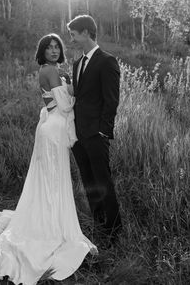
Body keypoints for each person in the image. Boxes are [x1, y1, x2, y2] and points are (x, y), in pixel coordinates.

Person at [0, 33, 97, 285]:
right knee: (52, 180)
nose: (53, 50)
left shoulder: (56, 69)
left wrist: (72, 86)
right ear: (42, 52)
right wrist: (78, 93)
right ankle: (50, 228)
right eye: (49, 47)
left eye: (57, 47)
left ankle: (52, 221)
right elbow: (65, 105)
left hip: (53, 128)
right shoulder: (50, 71)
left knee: (51, 180)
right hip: (53, 129)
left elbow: (64, 94)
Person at [67, 15, 122, 244]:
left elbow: (111, 101)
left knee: (103, 181)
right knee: (89, 182)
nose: (71, 40)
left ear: (86, 33)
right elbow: (79, 97)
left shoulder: (107, 61)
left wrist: (103, 131)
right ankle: (99, 224)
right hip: (79, 135)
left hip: (96, 135)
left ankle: (114, 232)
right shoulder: (77, 63)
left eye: (74, 35)